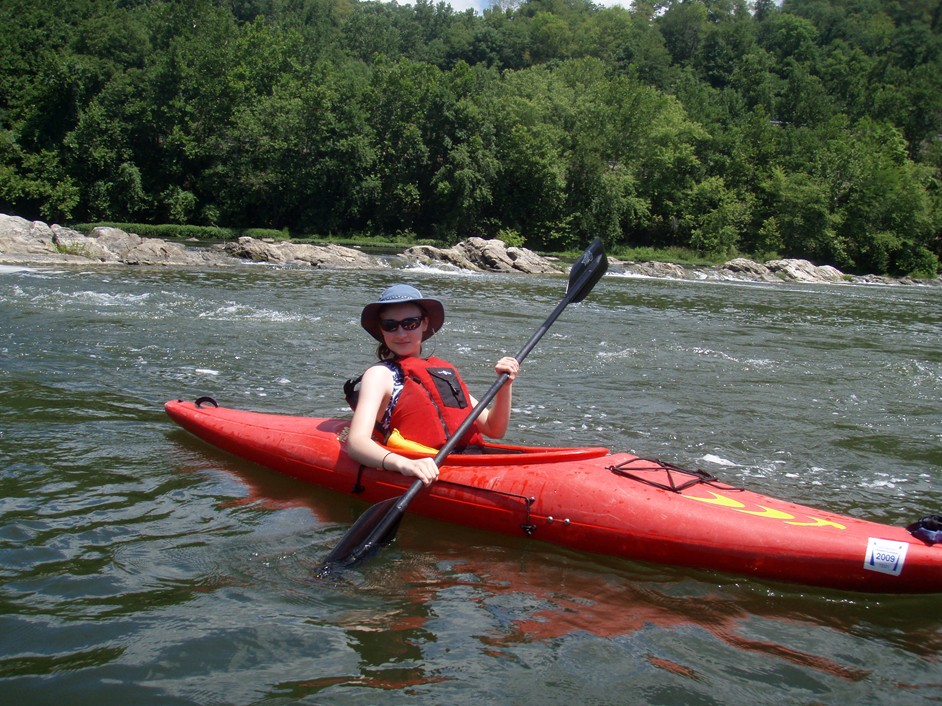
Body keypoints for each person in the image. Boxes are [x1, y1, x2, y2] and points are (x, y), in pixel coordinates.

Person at [346, 284, 519, 487]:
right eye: (390, 325)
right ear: (381, 329)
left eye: (410, 323)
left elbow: (493, 428)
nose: (401, 333)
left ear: (424, 323)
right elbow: (356, 443)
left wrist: (505, 388)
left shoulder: (440, 373)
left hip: (466, 463)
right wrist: (403, 464)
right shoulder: (380, 375)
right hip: (422, 465)